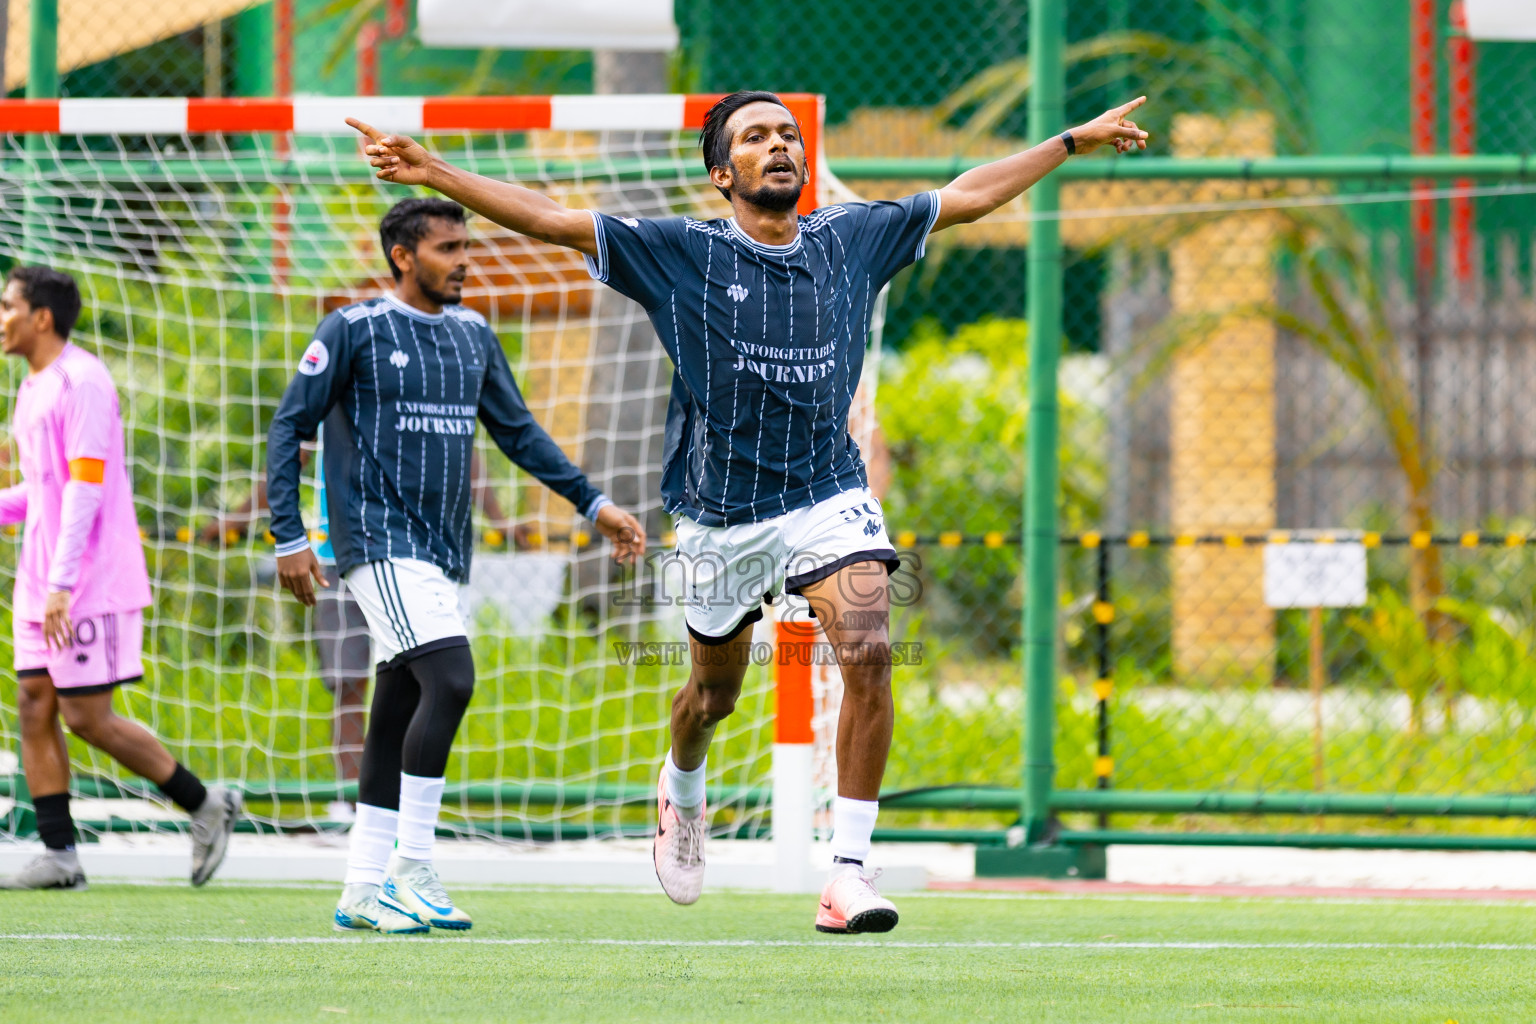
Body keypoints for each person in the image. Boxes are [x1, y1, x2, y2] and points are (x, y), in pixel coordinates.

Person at [349, 90, 1148, 933]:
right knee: (712, 695)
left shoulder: (851, 236)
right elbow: (550, 219)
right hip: (719, 516)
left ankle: (846, 873)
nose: (781, 146)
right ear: (722, 171)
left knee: (870, 648)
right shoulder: (678, 252)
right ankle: (681, 783)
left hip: (828, 495)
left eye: (790, 135)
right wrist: (432, 168)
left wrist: (1066, 140)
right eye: (757, 136)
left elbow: (971, 193)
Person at [266, 197, 645, 934]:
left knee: (398, 708)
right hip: (376, 542)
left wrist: (592, 503)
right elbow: (290, 426)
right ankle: (413, 865)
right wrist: (289, 537)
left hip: (442, 552)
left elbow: (520, 434)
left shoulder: (474, 335)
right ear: (403, 257)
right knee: (452, 677)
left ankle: (362, 887)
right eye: (446, 248)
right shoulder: (354, 330)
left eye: (465, 246)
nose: (464, 260)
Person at [0, 266, 242, 891]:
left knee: (85, 716)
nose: (1, 318)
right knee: (32, 705)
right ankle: (60, 857)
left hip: (86, 582)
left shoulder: (84, 382)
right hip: (42, 582)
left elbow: (86, 487)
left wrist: (61, 582)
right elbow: (46, 490)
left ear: (41, 318)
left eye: (8, 306)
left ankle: (205, 803)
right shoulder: (31, 387)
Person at [204, 448, 516, 823]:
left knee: (418, 684)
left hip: (412, 557)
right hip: (339, 557)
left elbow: (460, 441)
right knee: (348, 685)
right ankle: (354, 804)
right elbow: (293, 448)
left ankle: (406, 805)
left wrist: (499, 519)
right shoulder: (327, 390)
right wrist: (239, 518)